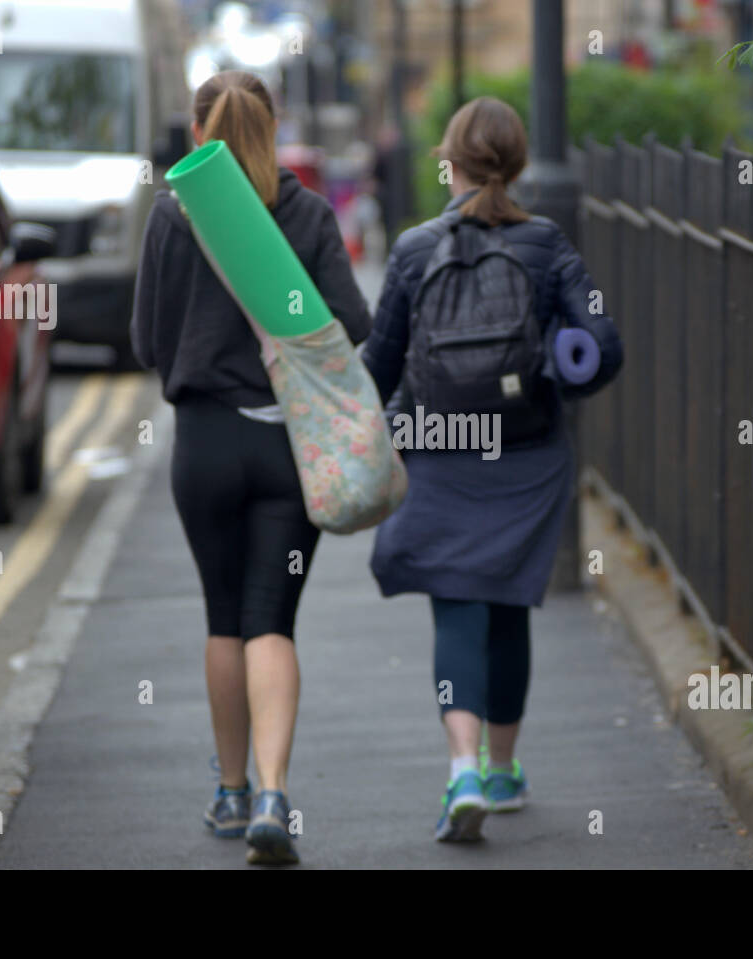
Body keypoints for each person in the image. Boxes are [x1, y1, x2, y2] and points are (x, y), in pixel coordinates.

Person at [361, 97, 622, 842]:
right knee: (507, 605)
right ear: (516, 162)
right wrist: (558, 373)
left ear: (450, 163)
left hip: (440, 449)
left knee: (456, 607)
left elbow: (378, 364)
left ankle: (462, 770)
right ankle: (503, 771)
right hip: (528, 454)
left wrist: (337, 428)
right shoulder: (547, 243)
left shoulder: (413, 249)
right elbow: (602, 341)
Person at [130, 70, 371, 865]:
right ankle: (274, 792)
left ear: (201, 135)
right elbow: (352, 323)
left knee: (222, 616)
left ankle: (230, 792)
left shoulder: (173, 215)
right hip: (284, 449)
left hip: (203, 444)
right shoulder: (304, 214)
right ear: (273, 129)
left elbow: (145, 341)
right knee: (272, 618)